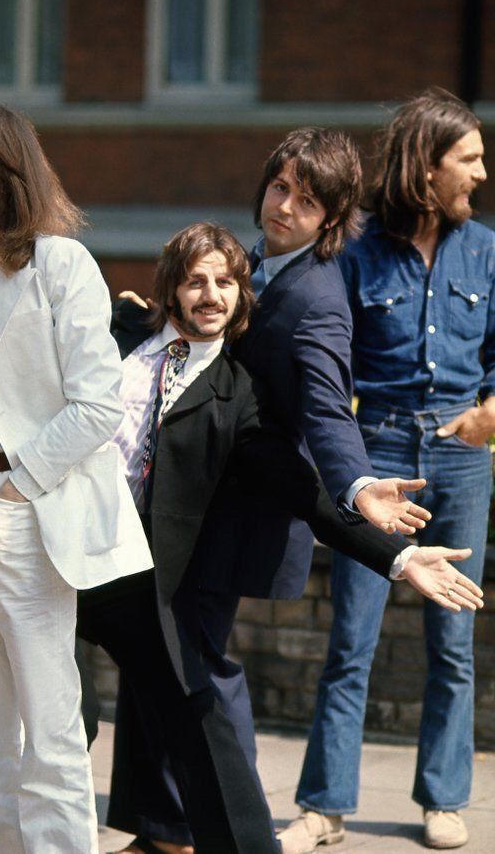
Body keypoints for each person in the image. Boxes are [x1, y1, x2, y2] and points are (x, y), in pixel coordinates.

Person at [91, 219, 483, 854]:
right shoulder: (119, 334)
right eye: (195, 281)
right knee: (69, 701)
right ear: (170, 290)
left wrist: (400, 554)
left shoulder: (237, 396)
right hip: (67, 555)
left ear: (243, 297)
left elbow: (307, 492)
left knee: (195, 703)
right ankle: (145, 833)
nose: (211, 294)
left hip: (149, 571)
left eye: (225, 282)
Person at [0, 101, 153, 853]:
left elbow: (98, 398)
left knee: (48, 722)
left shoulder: (60, 262)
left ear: (7, 171)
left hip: (20, 508)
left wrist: (20, 484)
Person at [286, 89, 495, 852]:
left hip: (462, 459)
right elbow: (324, 361)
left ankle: (444, 799)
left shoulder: (489, 249)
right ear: (426, 165)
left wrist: (490, 413)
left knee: (453, 637)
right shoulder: (355, 251)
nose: (480, 171)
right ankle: (324, 805)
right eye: (467, 158)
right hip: (375, 458)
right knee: (352, 638)